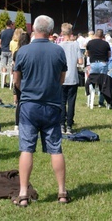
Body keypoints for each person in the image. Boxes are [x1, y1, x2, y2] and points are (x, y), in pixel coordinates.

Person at [13, 15, 69, 207]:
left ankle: (22, 194)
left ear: (33, 29)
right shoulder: (58, 51)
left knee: (26, 148)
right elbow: (62, 79)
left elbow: (16, 81)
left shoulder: (23, 51)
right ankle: (62, 192)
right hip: (52, 105)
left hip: (29, 104)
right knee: (55, 148)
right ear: (51, 31)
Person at [58, 23, 83, 135]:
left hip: (62, 78)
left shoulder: (59, 46)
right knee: (71, 102)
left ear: (62, 33)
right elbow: (80, 61)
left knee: (62, 102)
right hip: (73, 76)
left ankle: (61, 124)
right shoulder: (76, 45)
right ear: (71, 32)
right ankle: (69, 125)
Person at [86, 29, 111, 107]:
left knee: (91, 80)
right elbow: (109, 55)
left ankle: (91, 97)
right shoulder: (106, 43)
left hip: (93, 63)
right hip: (103, 63)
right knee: (103, 83)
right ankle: (101, 101)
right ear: (102, 35)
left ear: (95, 35)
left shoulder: (90, 43)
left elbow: (88, 53)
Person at [12, 31, 31, 131]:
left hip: (19, 77)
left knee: (19, 102)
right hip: (28, 78)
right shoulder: (30, 51)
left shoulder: (16, 52)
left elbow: (15, 67)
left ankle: (17, 124)